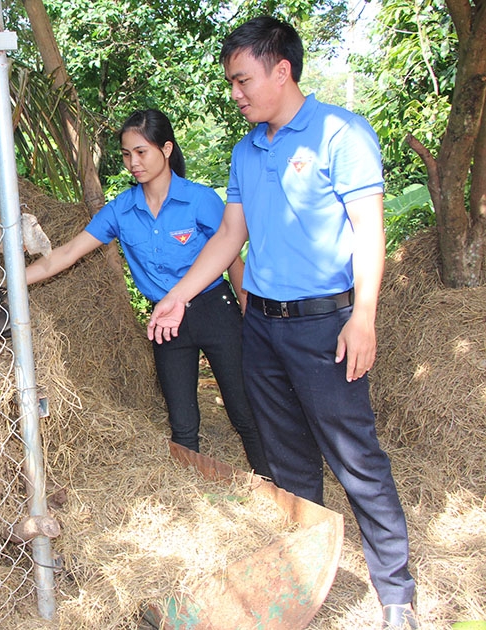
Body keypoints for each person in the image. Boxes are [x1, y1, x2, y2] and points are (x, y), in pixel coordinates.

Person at [147, 17, 417, 629]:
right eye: (231, 83)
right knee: (287, 461)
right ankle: (303, 580)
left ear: (281, 70)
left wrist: (364, 317)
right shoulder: (247, 150)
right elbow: (229, 237)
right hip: (262, 328)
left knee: (356, 459)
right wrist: (179, 296)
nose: (235, 93)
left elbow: (369, 232)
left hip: (326, 324)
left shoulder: (340, 134)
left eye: (242, 80)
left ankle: (396, 595)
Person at [26, 109, 271, 478]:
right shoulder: (121, 210)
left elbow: (232, 258)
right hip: (165, 322)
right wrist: (7, 282)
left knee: (243, 410)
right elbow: (65, 253)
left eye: (141, 152)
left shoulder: (200, 200)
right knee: (182, 419)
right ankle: (193, 492)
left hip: (214, 310)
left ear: (167, 149)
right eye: (126, 154)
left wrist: (250, 315)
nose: (133, 162)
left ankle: (273, 485)